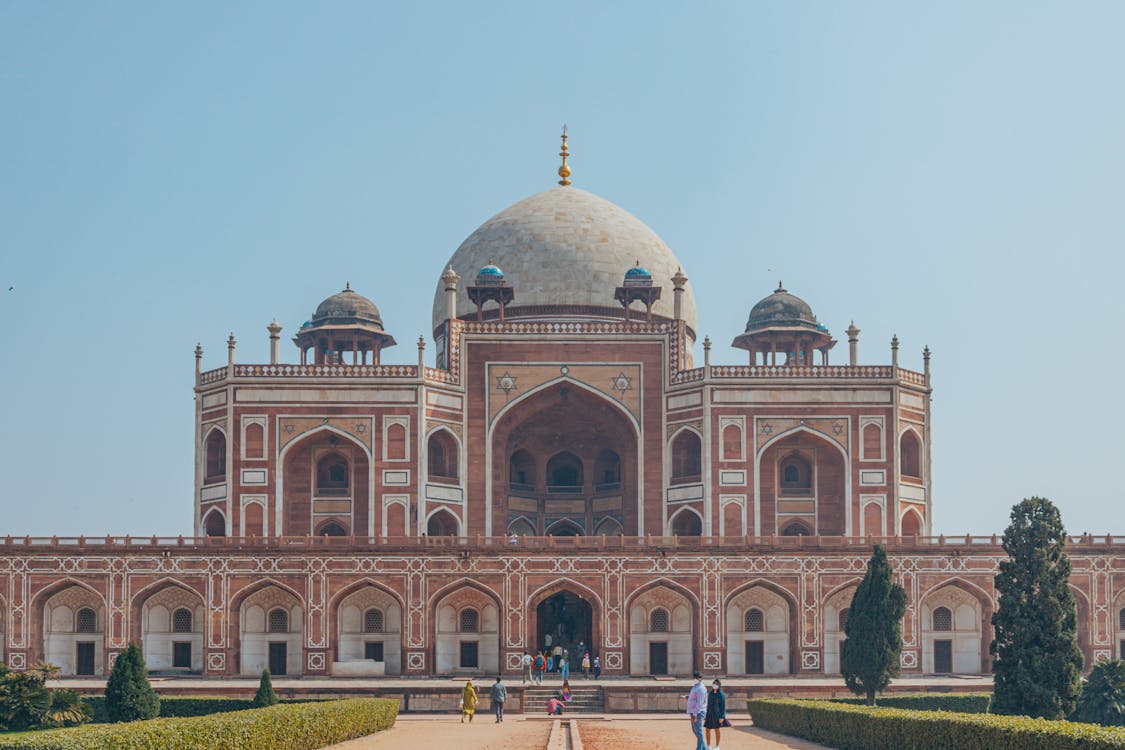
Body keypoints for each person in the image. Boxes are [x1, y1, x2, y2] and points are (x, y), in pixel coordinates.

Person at [684, 671, 707, 750]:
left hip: (698, 712)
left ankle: (699, 748)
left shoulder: (701, 688)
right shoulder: (695, 686)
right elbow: (695, 697)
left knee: (698, 730)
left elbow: (699, 703)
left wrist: (695, 714)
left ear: (700, 679)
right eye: (694, 678)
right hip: (693, 711)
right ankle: (704, 748)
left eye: (696, 678)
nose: (695, 679)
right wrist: (689, 697)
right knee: (695, 730)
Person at [703, 679, 727, 750]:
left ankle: (717, 746)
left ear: (719, 685)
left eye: (716, 684)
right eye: (714, 683)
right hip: (709, 714)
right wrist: (706, 714)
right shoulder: (711, 693)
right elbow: (708, 704)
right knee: (707, 729)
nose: (715, 685)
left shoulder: (721, 694)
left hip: (717, 715)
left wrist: (722, 716)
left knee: (717, 729)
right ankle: (708, 745)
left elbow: (723, 706)